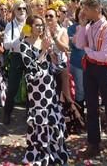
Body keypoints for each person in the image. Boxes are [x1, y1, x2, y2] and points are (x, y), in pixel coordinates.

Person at [73, 0, 107, 165]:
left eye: (86, 9)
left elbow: (104, 56)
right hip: (90, 69)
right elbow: (79, 44)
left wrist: (88, 50)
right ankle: (94, 143)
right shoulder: (88, 26)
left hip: (103, 69)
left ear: (96, 10)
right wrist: (81, 26)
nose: (83, 12)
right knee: (91, 106)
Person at [20, 14, 69, 165]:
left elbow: (55, 65)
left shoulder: (45, 41)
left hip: (49, 86)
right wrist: (43, 51)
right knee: (40, 119)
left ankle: (54, 150)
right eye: (37, 25)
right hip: (36, 89)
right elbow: (31, 68)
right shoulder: (24, 44)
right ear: (30, 26)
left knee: (52, 116)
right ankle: (40, 151)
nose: (40, 28)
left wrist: (53, 54)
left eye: (42, 25)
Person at [2, 0, 27, 125]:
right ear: (14, 11)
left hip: (29, 56)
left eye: (24, 8)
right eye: (19, 8)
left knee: (30, 86)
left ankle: (30, 114)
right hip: (16, 57)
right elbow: (6, 45)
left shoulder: (30, 23)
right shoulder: (10, 25)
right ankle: (7, 112)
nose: (22, 11)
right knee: (12, 87)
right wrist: (19, 39)